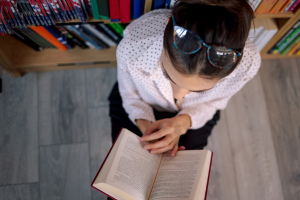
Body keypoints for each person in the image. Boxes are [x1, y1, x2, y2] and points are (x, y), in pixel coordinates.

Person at [108, 0, 261, 158]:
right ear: (168, 28)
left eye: (200, 91)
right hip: (140, 102)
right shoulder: (133, 46)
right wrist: (148, 129)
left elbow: (215, 102)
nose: (178, 96)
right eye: (167, 75)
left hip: (197, 110)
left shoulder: (248, 64)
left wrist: (181, 124)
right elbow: (129, 95)